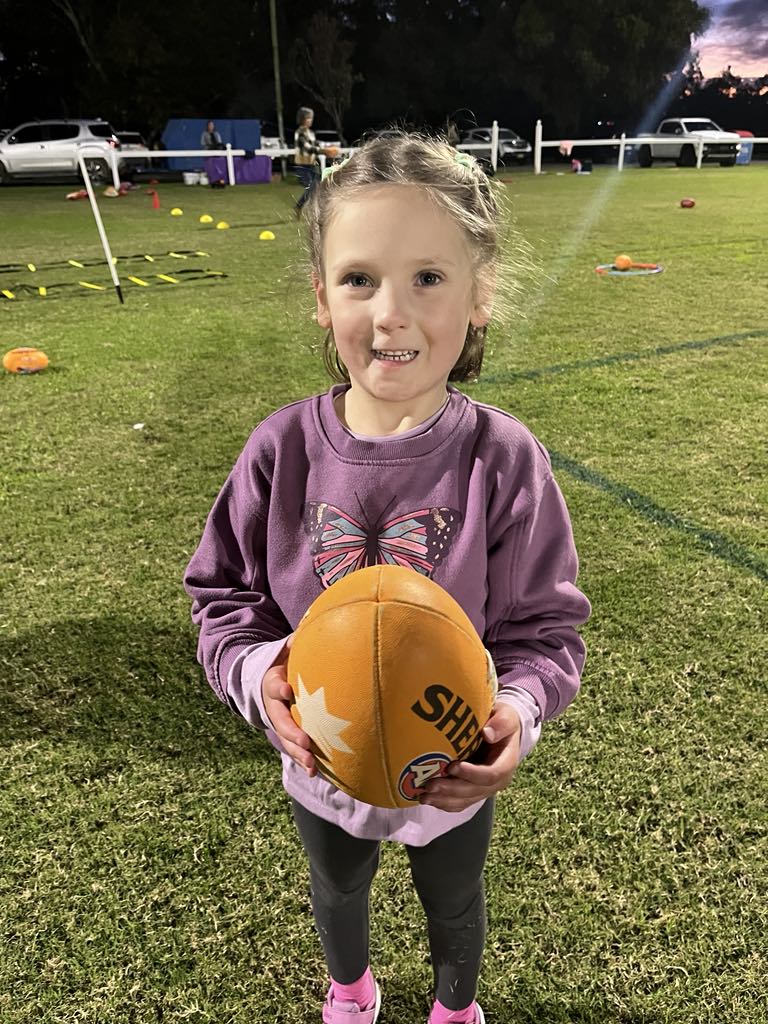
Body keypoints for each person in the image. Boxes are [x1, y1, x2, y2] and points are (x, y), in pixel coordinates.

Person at [184, 132, 591, 1024]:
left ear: (481, 294)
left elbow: (545, 630)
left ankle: (454, 1007)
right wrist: (260, 673)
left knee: (454, 897)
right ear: (320, 298)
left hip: (451, 762)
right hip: (324, 761)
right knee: (337, 889)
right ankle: (352, 990)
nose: (391, 314)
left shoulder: (502, 460)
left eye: (428, 278)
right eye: (360, 278)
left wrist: (515, 712)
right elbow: (221, 595)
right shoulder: (280, 451)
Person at [294, 106, 321, 215]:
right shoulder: (300, 132)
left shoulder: (311, 133)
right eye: (308, 118)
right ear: (302, 119)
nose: (311, 120)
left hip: (311, 165)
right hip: (302, 166)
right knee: (311, 187)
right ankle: (299, 206)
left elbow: (315, 145)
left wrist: (323, 147)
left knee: (317, 187)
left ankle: (312, 209)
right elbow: (308, 148)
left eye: (311, 118)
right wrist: (324, 150)